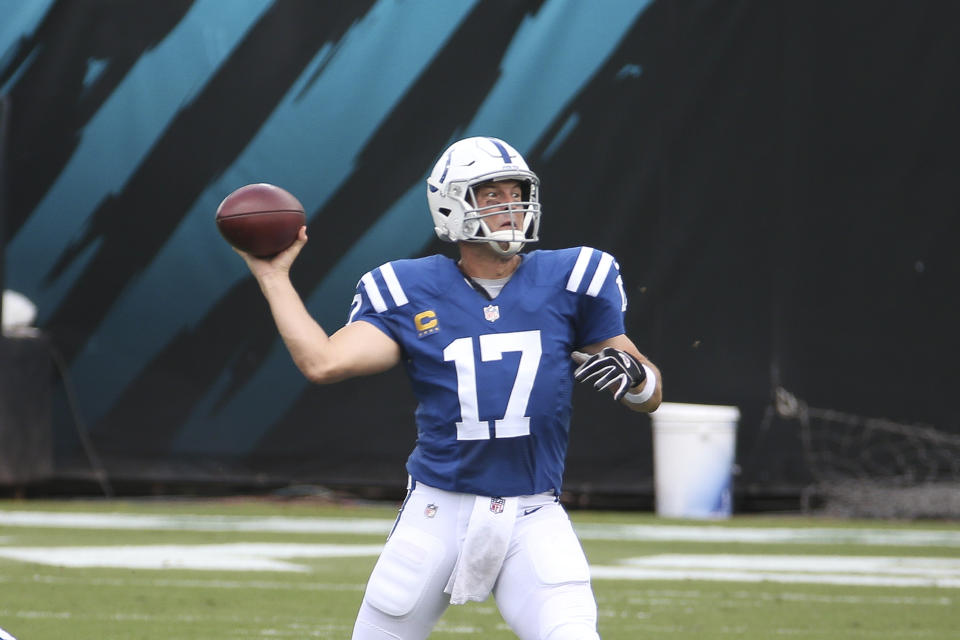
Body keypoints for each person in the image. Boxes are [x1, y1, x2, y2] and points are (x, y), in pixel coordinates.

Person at [236, 136, 662, 640]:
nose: (511, 206)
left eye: (516, 190)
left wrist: (637, 376)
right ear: (451, 204)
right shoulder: (407, 288)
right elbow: (323, 362)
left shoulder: (572, 278)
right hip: (439, 510)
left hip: (533, 511)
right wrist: (273, 276)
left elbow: (649, 392)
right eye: (491, 194)